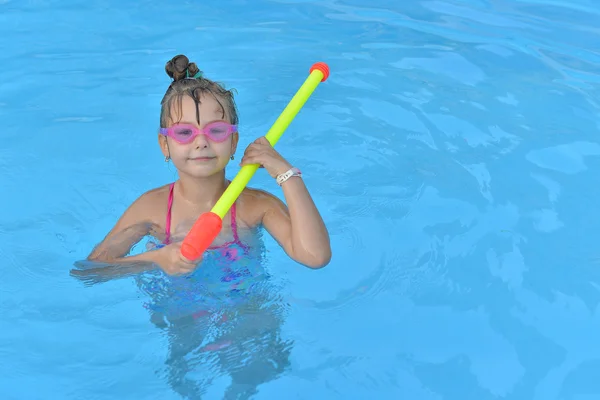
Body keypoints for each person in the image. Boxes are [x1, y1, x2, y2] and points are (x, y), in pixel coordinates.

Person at [86, 54, 331, 276]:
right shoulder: (151, 208)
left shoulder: (256, 206)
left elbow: (315, 257)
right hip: (179, 315)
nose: (201, 142)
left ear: (234, 142)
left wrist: (287, 174)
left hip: (246, 313)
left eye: (216, 130)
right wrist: (156, 259)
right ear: (164, 144)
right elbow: (91, 270)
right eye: (184, 132)